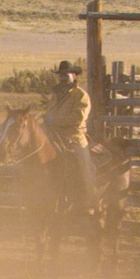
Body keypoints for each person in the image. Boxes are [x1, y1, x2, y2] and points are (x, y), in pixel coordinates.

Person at [45, 60, 97, 215]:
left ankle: (90, 199)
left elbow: (78, 119)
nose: (62, 78)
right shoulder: (55, 95)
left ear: (73, 75)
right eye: (60, 75)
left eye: (65, 75)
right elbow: (49, 113)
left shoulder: (81, 95)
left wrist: (55, 121)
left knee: (84, 163)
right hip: (54, 135)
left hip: (74, 137)